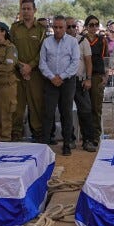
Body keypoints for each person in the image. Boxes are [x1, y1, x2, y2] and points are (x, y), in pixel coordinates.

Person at [38, 15, 79, 155]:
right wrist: (52, 77)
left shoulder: (73, 42)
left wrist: (61, 77)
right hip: (50, 81)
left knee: (66, 113)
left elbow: (75, 63)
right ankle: (45, 144)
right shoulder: (46, 42)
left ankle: (67, 144)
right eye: (55, 27)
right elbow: (42, 63)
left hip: (67, 81)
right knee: (48, 113)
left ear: (65, 27)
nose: (57, 30)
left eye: (61, 27)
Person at [10, 0, 45, 142]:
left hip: (35, 74)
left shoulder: (41, 29)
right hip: (18, 73)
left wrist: (30, 66)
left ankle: (37, 134)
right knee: (17, 106)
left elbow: (43, 52)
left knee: (36, 105)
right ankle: (15, 134)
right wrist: (20, 66)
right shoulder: (15, 28)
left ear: (34, 10)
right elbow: (11, 50)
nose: (26, 11)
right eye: (23, 9)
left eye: (28, 8)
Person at [66, 16, 96, 152]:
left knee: (85, 111)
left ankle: (88, 140)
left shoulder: (83, 41)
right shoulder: (59, 41)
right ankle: (69, 139)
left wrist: (88, 79)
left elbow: (88, 61)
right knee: (66, 111)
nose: (72, 29)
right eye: (69, 26)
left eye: (74, 26)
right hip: (65, 81)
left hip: (80, 81)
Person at [84, 15, 107, 147]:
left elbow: (105, 59)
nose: (94, 27)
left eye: (96, 25)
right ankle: (86, 135)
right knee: (85, 107)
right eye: (91, 25)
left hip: (97, 76)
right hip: (84, 76)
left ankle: (95, 136)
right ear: (86, 26)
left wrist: (106, 76)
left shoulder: (102, 40)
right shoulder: (82, 40)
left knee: (96, 107)